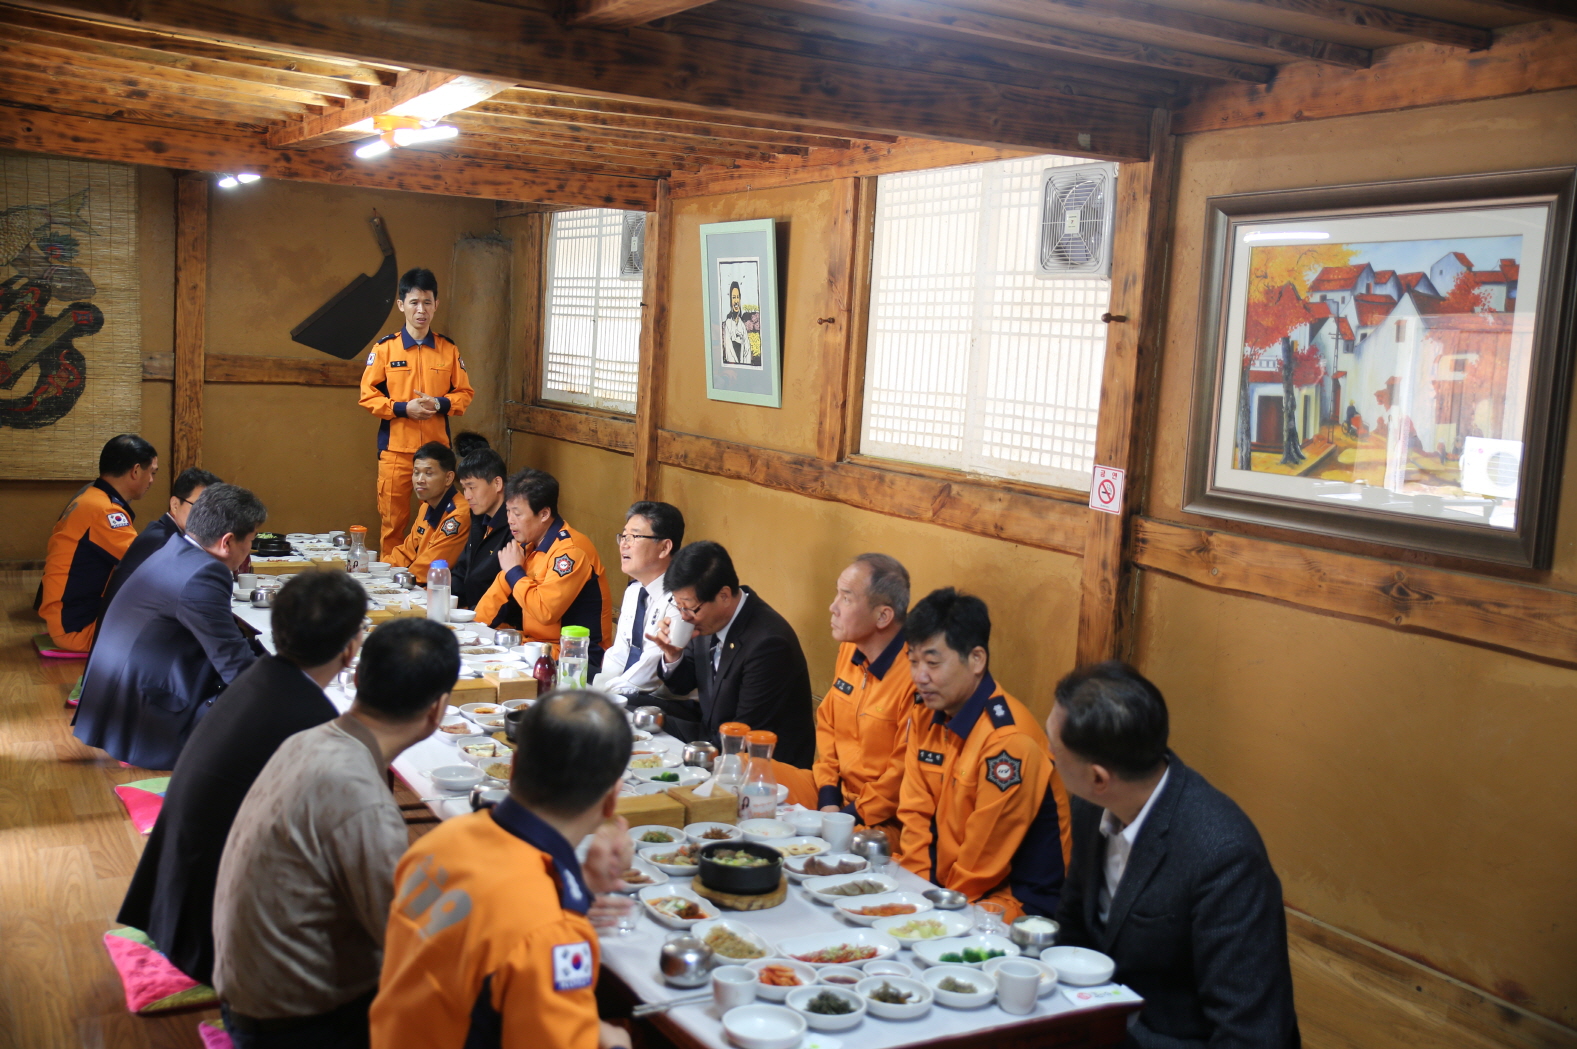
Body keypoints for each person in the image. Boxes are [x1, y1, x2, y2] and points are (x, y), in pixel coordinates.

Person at [212, 618, 458, 1048]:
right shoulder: (362, 798)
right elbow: (408, 943)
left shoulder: (306, 740)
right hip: (294, 1022)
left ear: (358, 676)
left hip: (244, 988)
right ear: (437, 709)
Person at [117, 570, 365, 984]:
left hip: (172, 902)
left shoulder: (263, 676)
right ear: (351, 647)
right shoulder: (308, 716)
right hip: (213, 935)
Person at [1048, 662, 1300, 1048]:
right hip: (1098, 1023)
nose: (1049, 757)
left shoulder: (1224, 856)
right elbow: (1073, 927)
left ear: (1099, 778)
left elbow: (1251, 1035)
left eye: (1054, 750)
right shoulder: (1091, 806)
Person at [370, 690, 636, 1049]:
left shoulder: (439, 841)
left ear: (512, 768)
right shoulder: (549, 933)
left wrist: (582, 884)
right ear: (612, 799)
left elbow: (484, 931)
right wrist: (617, 1042)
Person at [896, 588, 1071, 920]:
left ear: (977, 659)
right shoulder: (925, 714)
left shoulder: (1008, 742)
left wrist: (929, 912)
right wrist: (914, 894)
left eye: (932, 663)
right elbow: (915, 814)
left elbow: (983, 861)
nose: (920, 677)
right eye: (913, 661)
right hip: (946, 887)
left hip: (1011, 901)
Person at [72, 484, 266, 770]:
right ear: (227, 542)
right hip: (146, 720)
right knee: (274, 709)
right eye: (251, 540)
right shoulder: (205, 573)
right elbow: (235, 667)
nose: (250, 549)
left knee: (262, 662)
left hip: (120, 702)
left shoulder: (175, 547)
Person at [644, 541, 815, 768]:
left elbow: (743, 733)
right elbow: (682, 685)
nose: (684, 617)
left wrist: (689, 756)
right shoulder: (707, 620)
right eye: (679, 607)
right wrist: (673, 656)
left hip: (762, 767)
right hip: (715, 739)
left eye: (689, 607)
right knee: (636, 718)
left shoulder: (768, 643)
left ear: (724, 595)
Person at [359, 267, 474, 556]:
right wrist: (402, 409)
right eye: (414, 302)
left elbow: (464, 394)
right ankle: (390, 577)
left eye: (427, 302)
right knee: (393, 525)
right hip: (396, 452)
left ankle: (429, 576)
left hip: (436, 452)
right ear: (401, 305)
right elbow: (368, 396)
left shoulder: (448, 349)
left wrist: (439, 404)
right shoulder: (385, 349)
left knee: (438, 522)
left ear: (436, 304)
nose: (421, 310)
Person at [799, 554, 916, 829]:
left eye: (846, 598)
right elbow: (828, 725)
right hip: (833, 794)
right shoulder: (850, 649)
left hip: (880, 818)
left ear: (883, 616)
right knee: (750, 775)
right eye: (837, 594)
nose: (833, 607)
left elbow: (901, 776)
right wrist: (828, 796)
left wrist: (845, 818)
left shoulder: (917, 676)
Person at [473, 468, 613, 669]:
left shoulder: (571, 551)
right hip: (535, 645)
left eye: (517, 513)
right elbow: (495, 598)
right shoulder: (528, 545)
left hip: (574, 655)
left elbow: (545, 612)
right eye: (508, 511)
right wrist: (474, 632)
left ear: (544, 514)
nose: (510, 520)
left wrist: (514, 572)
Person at [37, 433, 158, 652]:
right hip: (79, 630)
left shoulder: (89, 498)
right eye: (152, 472)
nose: (151, 480)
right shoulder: (105, 510)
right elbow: (148, 563)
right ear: (136, 471)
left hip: (67, 621)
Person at [95, 467, 221, 633]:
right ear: (175, 505)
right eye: (200, 508)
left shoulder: (161, 533)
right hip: (127, 640)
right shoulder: (163, 544)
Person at [591, 501, 683, 698]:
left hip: (664, 702)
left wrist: (602, 697)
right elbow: (619, 655)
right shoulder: (634, 591)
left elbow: (650, 672)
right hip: (627, 691)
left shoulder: (681, 600)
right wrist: (599, 689)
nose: (624, 544)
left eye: (634, 536)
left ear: (664, 547)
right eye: (623, 536)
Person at [382, 440, 469, 585]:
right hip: (417, 583)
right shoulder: (426, 506)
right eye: (416, 473)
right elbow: (406, 552)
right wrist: (378, 571)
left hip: (439, 590)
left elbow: (430, 567)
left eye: (428, 473)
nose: (420, 480)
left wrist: (394, 582)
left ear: (448, 478)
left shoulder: (458, 515)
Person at [451, 447, 510, 612]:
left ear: (497, 483)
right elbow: (462, 570)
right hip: (469, 611)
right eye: (464, 488)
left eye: (472, 487)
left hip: (494, 617)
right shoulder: (479, 518)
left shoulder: (514, 525)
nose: (467, 496)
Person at [721, 281, 749, 365]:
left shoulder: (742, 325)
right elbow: (728, 350)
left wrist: (745, 365)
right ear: (730, 300)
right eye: (733, 297)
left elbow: (747, 350)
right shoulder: (728, 324)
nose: (736, 301)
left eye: (737, 297)